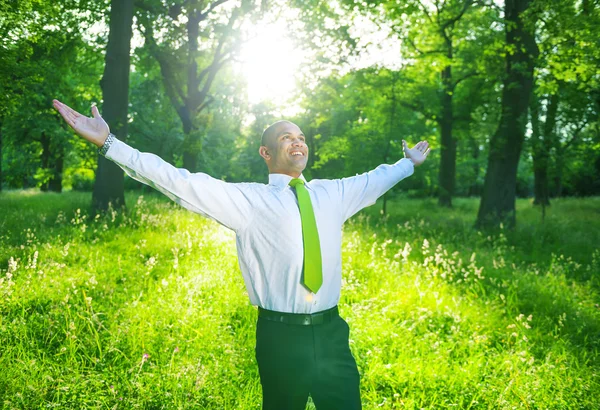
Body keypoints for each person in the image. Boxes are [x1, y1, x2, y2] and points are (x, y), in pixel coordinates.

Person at [53, 99, 430, 409]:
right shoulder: (248, 200)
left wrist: (407, 163)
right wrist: (109, 144)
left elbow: (377, 178)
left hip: (333, 333)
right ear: (266, 152)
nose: (297, 142)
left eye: (301, 136)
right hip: (281, 338)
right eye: (286, 137)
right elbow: (175, 179)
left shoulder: (334, 193)